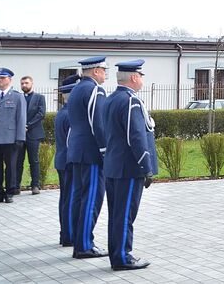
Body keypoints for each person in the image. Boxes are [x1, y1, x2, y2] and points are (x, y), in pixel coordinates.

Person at [103, 60, 158, 271]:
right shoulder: (130, 101)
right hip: (128, 168)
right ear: (134, 77)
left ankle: (117, 254)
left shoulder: (111, 99)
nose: (142, 79)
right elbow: (135, 137)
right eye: (141, 75)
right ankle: (122, 257)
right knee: (125, 214)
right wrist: (146, 168)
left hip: (114, 165)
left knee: (117, 215)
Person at [67, 56, 109, 259]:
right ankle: (84, 245)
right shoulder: (94, 89)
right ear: (95, 71)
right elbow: (98, 123)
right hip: (91, 152)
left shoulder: (76, 89)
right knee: (92, 199)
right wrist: (104, 150)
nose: (105, 73)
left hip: (77, 150)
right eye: (103, 70)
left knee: (79, 198)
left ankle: (78, 240)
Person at [0, 67, 26, 204]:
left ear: (9, 79)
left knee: (11, 167)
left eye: (3, 78)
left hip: (10, 137)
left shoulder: (17, 96)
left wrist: (20, 138)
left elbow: (21, 118)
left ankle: (9, 192)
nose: (0, 80)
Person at [55, 74, 79, 247]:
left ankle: (65, 233)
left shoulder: (62, 112)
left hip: (62, 160)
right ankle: (69, 235)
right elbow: (72, 140)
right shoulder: (71, 114)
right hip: (69, 161)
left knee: (65, 198)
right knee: (70, 199)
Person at [14, 75, 46, 195]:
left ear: (32, 83)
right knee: (18, 161)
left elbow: (41, 114)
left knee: (34, 160)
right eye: (22, 83)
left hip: (33, 134)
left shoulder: (39, 97)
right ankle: (16, 186)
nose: (24, 85)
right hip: (19, 135)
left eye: (26, 83)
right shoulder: (18, 97)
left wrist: (27, 125)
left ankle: (35, 185)